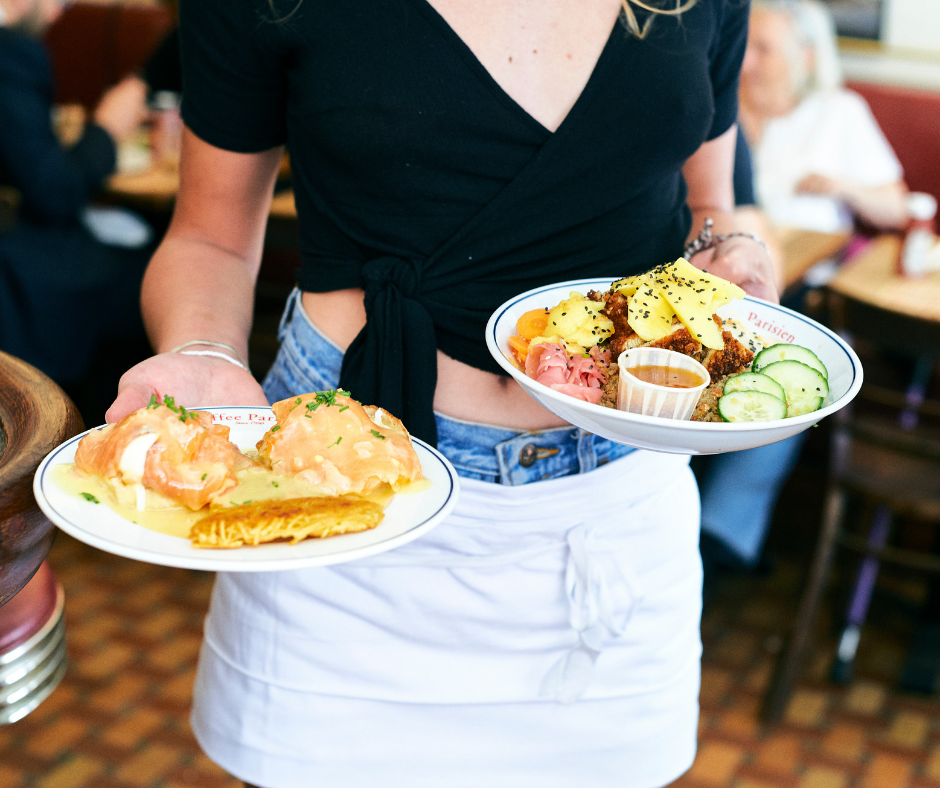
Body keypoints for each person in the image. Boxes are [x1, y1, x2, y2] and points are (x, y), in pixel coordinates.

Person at [107, 1, 777, 786]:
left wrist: (736, 250)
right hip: (339, 501)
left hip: (614, 515)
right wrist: (201, 352)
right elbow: (211, 237)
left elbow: (712, 206)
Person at [0, 0, 152, 419]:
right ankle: (95, 423)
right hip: (14, 266)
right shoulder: (11, 53)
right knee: (151, 280)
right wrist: (108, 127)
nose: (56, 13)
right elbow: (55, 193)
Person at [738, 0, 908, 234]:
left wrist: (842, 188)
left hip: (812, 258)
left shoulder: (839, 110)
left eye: (763, 49)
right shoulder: (723, 110)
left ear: (806, 57)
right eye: (742, 46)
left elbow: (896, 209)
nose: (745, 62)